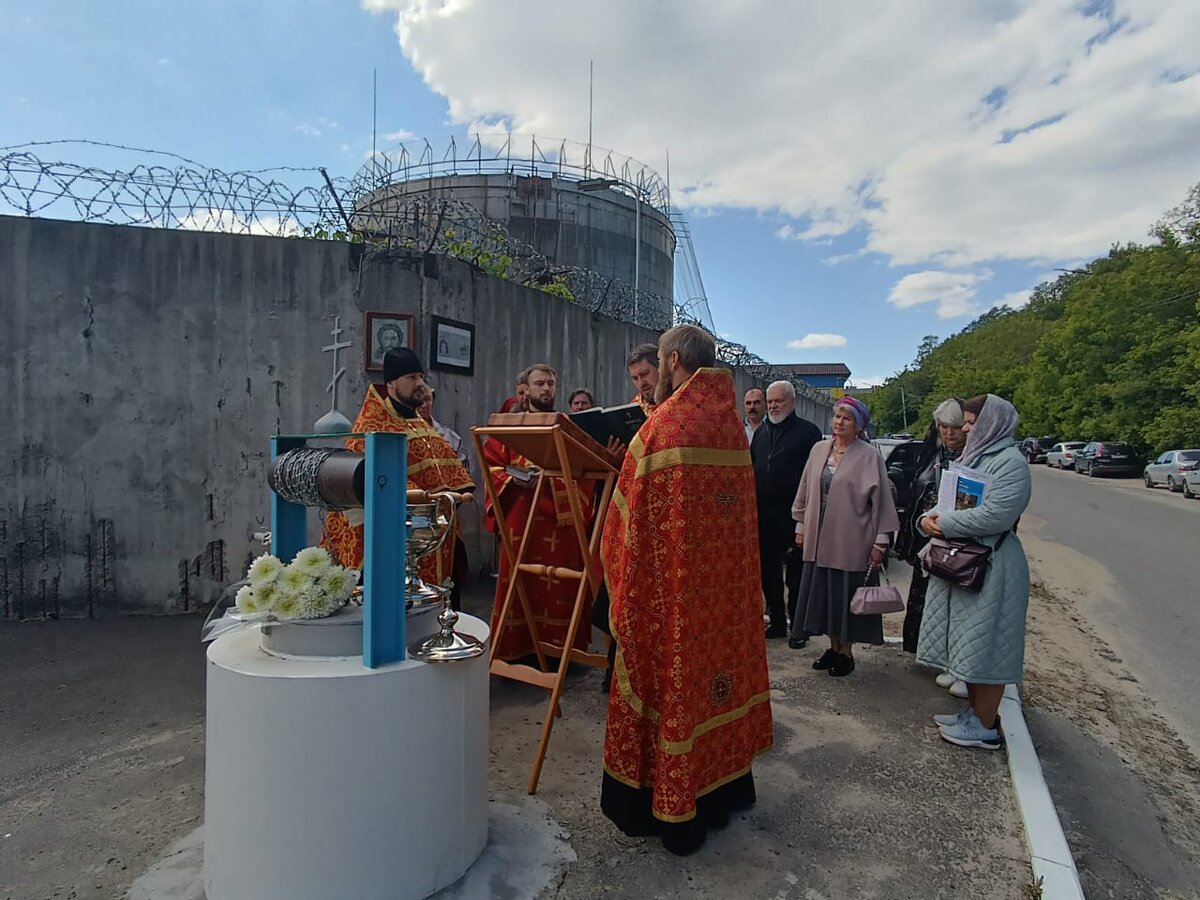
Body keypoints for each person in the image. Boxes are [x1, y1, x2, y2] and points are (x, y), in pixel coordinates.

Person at [601, 324, 773, 856]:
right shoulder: (729, 427)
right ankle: (725, 790)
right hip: (723, 598)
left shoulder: (663, 430)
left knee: (676, 682)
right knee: (715, 681)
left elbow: (623, 527)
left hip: (675, 598)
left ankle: (676, 814)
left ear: (673, 360)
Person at [918, 394, 1031, 751]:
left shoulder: (1010, 463)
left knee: (990, 646)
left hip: (993, 564)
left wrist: (944, 523)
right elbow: (947, 500)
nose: (965, 428)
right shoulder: (977, 457)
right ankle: (973, 713)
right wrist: (926, 520)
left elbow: (996, 514)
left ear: (992, 423)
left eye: (971, 422)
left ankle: (985, 725)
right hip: (970, 559)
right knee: (973, 644)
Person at [322, 348, 474, 593]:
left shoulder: (418, 423)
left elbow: (449, 468)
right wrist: (427, 496)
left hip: (431, 531)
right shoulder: (373, 425)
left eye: (421, 377)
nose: (420, 385)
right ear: (391, 382)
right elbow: (370, 477)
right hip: (393, 534)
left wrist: (456, 491)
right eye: (411, 378)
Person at [482, 363, 594, 661]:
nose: (546, 388)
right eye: (540, 383)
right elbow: (491, 465)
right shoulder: (509, 425)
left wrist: (549, 476)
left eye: (551, 383)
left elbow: (585, 470)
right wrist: (517, 477)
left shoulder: (566, 425)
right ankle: (516, 650)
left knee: (561, 588)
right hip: (521, 519)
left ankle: (562, 651)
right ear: (526, 388)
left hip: (561, 522)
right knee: (520, 585)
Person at [791, 396, 899, 677]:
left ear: (858, 425)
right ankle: (831, 646)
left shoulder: (868, 455)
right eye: (837, 416)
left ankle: (846, 652)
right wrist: (800, 525)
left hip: (851, 536)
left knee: (844, 593)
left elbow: (883, 500)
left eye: (846, 418)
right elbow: (804, 486)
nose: (839, 422)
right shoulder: (819, 450)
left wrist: (881, 540)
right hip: (818, 530)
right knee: (823, 593)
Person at [751, 380, 822, 642]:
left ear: (792, 402)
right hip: (765, 516)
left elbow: (813, 477)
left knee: (796, 577)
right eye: (770, 402)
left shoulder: (808, 433)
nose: (773, 406)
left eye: (778, 401)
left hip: (794, 516)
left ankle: (798, 627)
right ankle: (777, 622)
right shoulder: (761, 432)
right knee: (768, 573)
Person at [896, 399, 965, 660]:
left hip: (958, 543)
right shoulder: (930, 456)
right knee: (923, 600)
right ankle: (924, 652)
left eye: (955, 427)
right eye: (943, 427)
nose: (949, 433)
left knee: (953, 604)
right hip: (926, 540)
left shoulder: (974, 459)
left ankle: (951, 658)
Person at [417, 383, 474, 611]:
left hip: (446, 517)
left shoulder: (448, 437)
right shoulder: (401, 432)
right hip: (416, 516)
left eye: (428, 400)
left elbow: (463, 475)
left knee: (450, 576)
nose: (424, 405)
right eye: (420, 401)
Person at [626, 343, 660, 412]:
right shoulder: (634, 407)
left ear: (660, 368)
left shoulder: (679, 401)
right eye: (635, 378)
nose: (641, 383)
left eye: (645, 374)